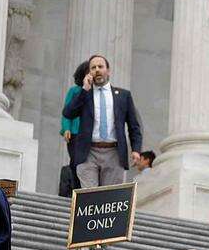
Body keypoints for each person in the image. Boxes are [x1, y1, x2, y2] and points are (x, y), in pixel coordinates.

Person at [60, 53, 147, 190]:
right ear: (89, 73)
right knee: (89, 197)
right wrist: (84, 90)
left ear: (108, 70)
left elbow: (134, 126)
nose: (97, 70)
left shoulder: (123, 96)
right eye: (93, 68)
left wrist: (136, 150)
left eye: (100, 66)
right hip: (88, 153)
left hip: (114, 153)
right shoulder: (84, 94)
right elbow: (68, 113)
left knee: (108, 199)